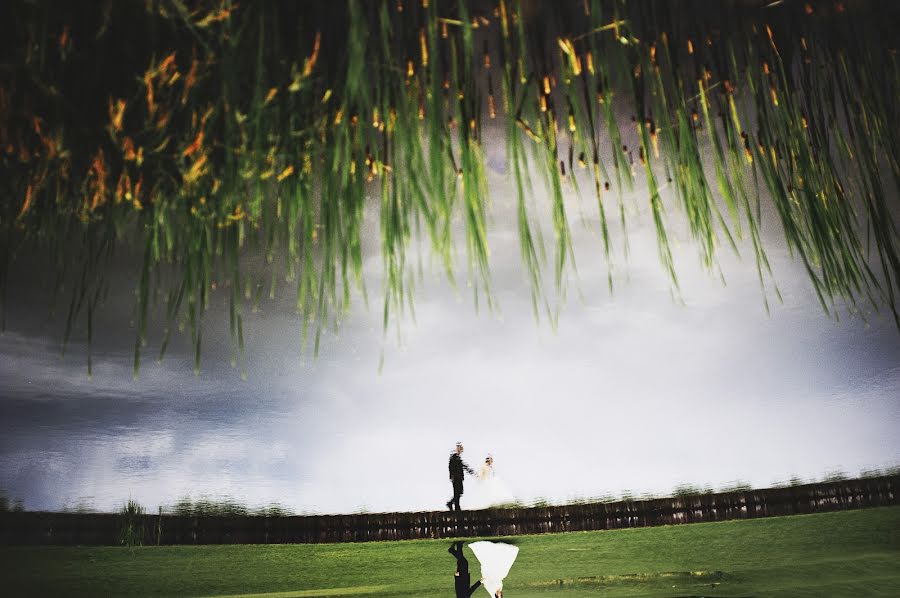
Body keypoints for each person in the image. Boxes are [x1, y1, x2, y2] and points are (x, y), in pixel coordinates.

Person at [447, 442, 475, 511]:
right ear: (457, 449)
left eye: (461, 449)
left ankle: (451, 503)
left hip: (459, 478)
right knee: (457, 492)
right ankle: (456, 506)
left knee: (460, 492)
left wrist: (471, 471)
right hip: (456, 478)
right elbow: (450, 467)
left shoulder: (458, 458)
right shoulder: (453, 457)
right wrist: (452, 477)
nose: (460, 451)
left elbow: (464, 466)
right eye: (459, 449)